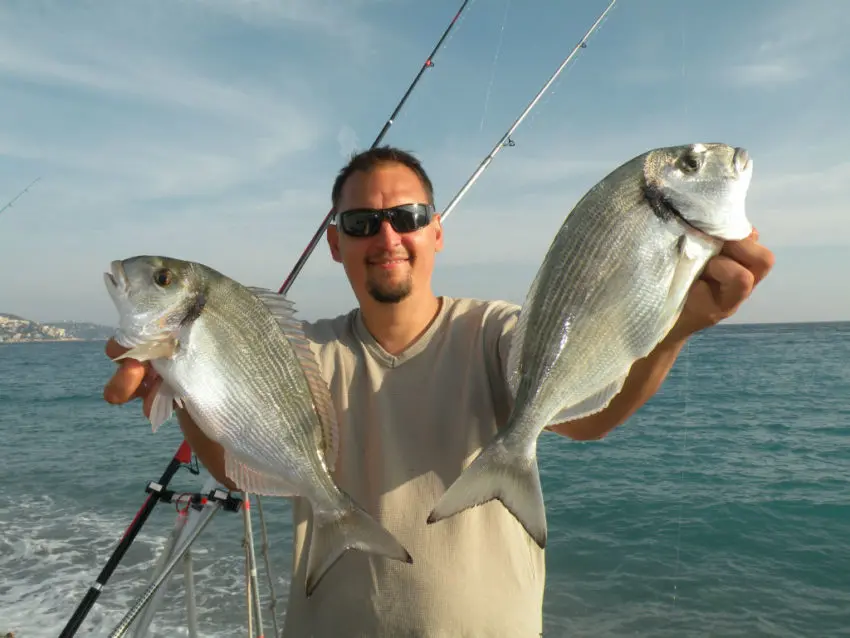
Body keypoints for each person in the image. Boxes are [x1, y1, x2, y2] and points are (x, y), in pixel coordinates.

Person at [103, 146, 775, 637]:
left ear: (437, 231)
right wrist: (179, 382)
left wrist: (675, 327)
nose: (387, 236)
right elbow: (241, 466)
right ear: (335, 245)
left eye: (408, 215)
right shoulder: (295, 353)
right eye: (362, 223)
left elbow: (586, 420)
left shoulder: (498, 332)